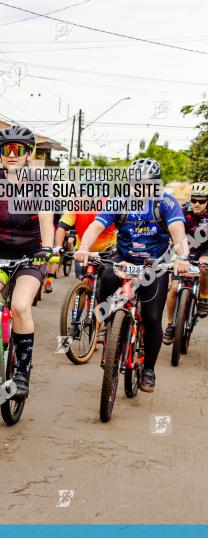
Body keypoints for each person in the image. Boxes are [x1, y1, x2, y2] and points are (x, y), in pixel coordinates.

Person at [75, 158, 189, 392]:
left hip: (156, 264)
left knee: (151, 316)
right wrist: (84, 248)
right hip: (124, 258)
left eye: (147, 184)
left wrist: (182, 258)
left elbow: (178, 235)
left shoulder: (166, 202)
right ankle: (109, 326)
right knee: (106, 279)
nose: (140, 188)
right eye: (136, 183)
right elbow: (96, 226)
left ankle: (149, 369)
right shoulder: (119, 200)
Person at [0, 125, 55, 400]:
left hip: (31, 257)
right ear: (1, 154)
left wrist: (47, 247)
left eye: (19, 150)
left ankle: (21, 373)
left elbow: (46, 219)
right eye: (7, 150)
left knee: (19, 306)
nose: (13, 155)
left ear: (28, 154)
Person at [164, 182, 208, 342]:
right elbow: (172, 229)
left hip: (205, 250)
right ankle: (170, 325)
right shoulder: (183, 211)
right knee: (174, 289)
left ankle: (203, 298)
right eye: (194, 200)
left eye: (201, 201)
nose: (196, 204)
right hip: (184, 250)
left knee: (204, 266)